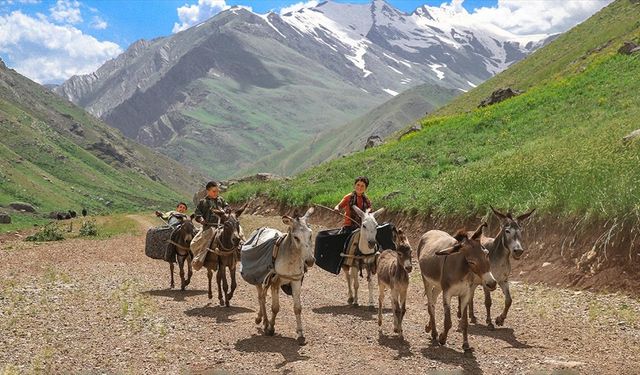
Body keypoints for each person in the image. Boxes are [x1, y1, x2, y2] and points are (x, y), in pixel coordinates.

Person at [190, 181, 229, 270]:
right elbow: (198, 214)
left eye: (217, 191)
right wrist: (201, 219)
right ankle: (199, 260)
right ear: (208, 191)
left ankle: (242, 250)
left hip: (222, 225)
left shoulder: (221, 200)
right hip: (209, 226)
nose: (216, 193)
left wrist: (225, 210)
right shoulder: (202, 202)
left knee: (237, 230)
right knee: (193, 244)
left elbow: (227, 206)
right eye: (214, 191)